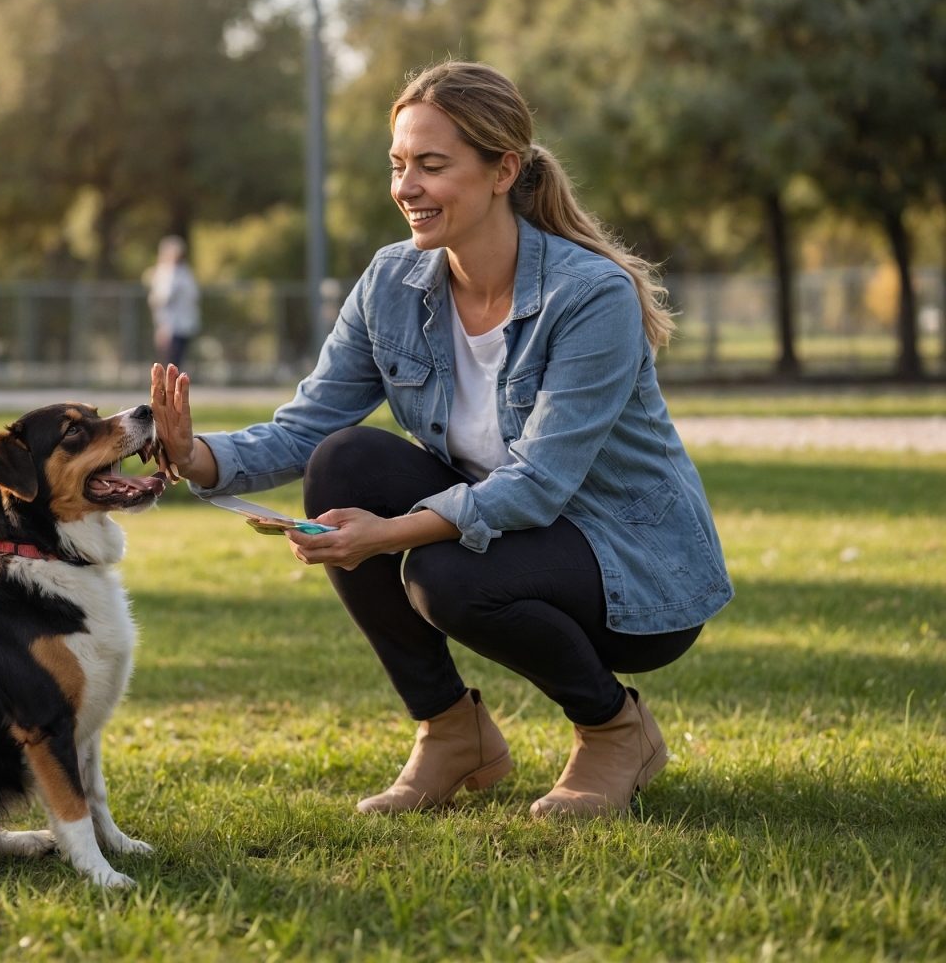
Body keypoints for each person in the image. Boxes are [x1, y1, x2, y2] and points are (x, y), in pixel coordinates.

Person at [150, 61, 732, 819]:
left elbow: (538, 483)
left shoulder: (589, 296)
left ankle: (615, 729)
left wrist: (387, 534)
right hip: (513, 538)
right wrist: (196, 456)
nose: (407, 187)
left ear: (504, 171)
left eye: (431, 165)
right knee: (345, 461)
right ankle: (454, 733)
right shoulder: (392, 282)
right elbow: (309, 424)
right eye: (398, 165)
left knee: (444, 574)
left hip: (632, 568)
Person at [145, 235, 200, 369]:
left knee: (175, 363)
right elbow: (161, 299)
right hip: (169, 326)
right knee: (169, 364)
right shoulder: (166, 272)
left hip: (182, 324)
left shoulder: (182, 272)